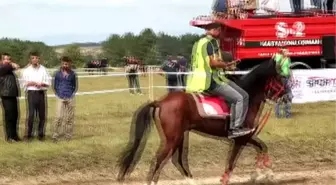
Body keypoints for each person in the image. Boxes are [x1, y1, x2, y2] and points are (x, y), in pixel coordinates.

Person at [186, 22, 253, 138]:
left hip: (203, 80)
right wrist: (226, 65)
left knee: (245, 95)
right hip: (211, 81)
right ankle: (235, 128)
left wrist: (226, 64)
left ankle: (231, 122)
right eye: (220, 30)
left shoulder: (199, 43)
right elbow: (213, 63)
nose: (221, 33)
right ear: (215, 30)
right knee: (240, 98)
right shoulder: (211, 43)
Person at [21, 51, 51, 141]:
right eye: (33, 58)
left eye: (36, 58)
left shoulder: (44, 69)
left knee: (42, 115)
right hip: (31, 93)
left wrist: (42, 84)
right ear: (30, 59)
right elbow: (22, 83)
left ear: (39, 59)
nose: (35, 59)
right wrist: (29, 83)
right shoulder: (26, 70)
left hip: (41, 93)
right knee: (31, 115)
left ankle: (41, 135)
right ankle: (29, 135)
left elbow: (49, 82)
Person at [52, 56, 78, 142]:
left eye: (67, 63)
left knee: (69, 118)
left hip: (70, 97)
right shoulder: (57, 74)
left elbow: (75, 86)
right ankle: (55, 135)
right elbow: (54, 86)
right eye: (63, 63)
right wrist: (58, 94)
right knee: (58, 117)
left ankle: (68, 136)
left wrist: (72, 94)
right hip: (60, 97)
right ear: (61, 63)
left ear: (70, 64)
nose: (65, 65)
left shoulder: (73, 74)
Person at [0, 53, 21, 142]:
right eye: (6, 59)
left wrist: (13, 65)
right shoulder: (2, 68)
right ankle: (9, 137)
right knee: (9, 117)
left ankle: (14, 136)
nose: (8, 61)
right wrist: (12, 64)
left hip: (12, 95)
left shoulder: (8, 69)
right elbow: (14, 66)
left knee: (15, 115)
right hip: (6, 95)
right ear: (1, 60)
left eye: (9, 59)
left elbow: (17, 66)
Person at [273, 46, 293, 118]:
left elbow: (289, 68)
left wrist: (292, 77)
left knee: (289, 96)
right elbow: (275, 68)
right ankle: (278, 114)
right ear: (282, 52)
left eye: (288, 51)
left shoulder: (288, 59)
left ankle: (288, 114)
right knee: (278, 97)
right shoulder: (278, 59)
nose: (288, 52)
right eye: (286, 51)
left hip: (286, 79)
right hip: (280, 79)